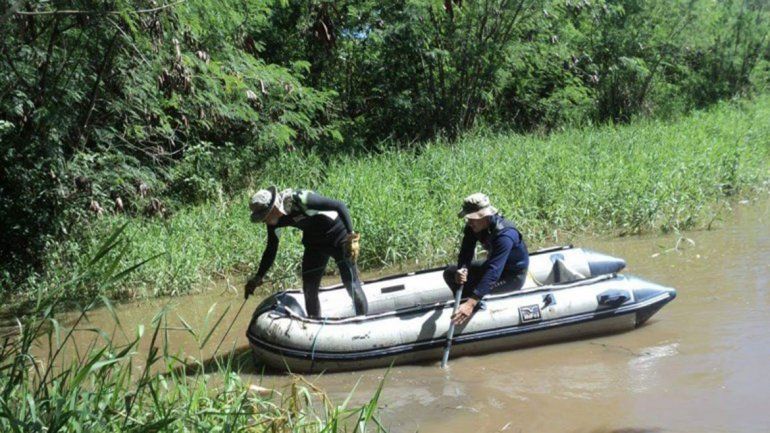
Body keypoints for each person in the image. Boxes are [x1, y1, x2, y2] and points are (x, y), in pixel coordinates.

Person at [244, 186, 368, 317]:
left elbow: (339, 205)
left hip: (339, 237)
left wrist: (351, 237)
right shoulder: (273, 222)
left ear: (273, 207)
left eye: (264, 216)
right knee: (309, 289)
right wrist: (258, 276)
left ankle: (363, 320)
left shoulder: (300, 199)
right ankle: (314, 323)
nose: (264, 221)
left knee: (351, 284)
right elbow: (271, 249)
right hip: (314, 244)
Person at [444, 193, 529, 325]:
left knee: (474, 288)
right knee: (450, 273)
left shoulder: (505, 235)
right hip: (494, 266)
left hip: (511, 276)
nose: (469, 222)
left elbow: (493, 271)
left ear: (484, 216)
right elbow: (466, 252)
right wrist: (462, 269)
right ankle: (463, 307)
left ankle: (471, 308)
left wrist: (470, 304)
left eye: (472, 218)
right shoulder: (473, 227)